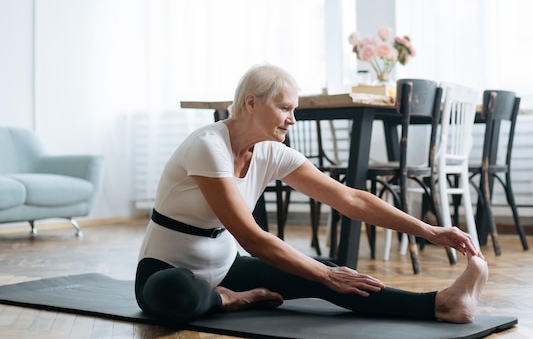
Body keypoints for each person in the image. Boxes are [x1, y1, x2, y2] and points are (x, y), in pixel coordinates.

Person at [135, 64, 488, 324]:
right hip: (167, 271)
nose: (293, 120)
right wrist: (321, 276)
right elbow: (251, 238)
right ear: (252, 103)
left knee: (333, 270)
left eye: (294, 110)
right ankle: (227, 301)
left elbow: (351, 199)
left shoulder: (271, 151)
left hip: (226, 268)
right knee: (177, 292)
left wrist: (429, 230)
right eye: (286, 108)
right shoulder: (208, 146)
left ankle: (440, 304)